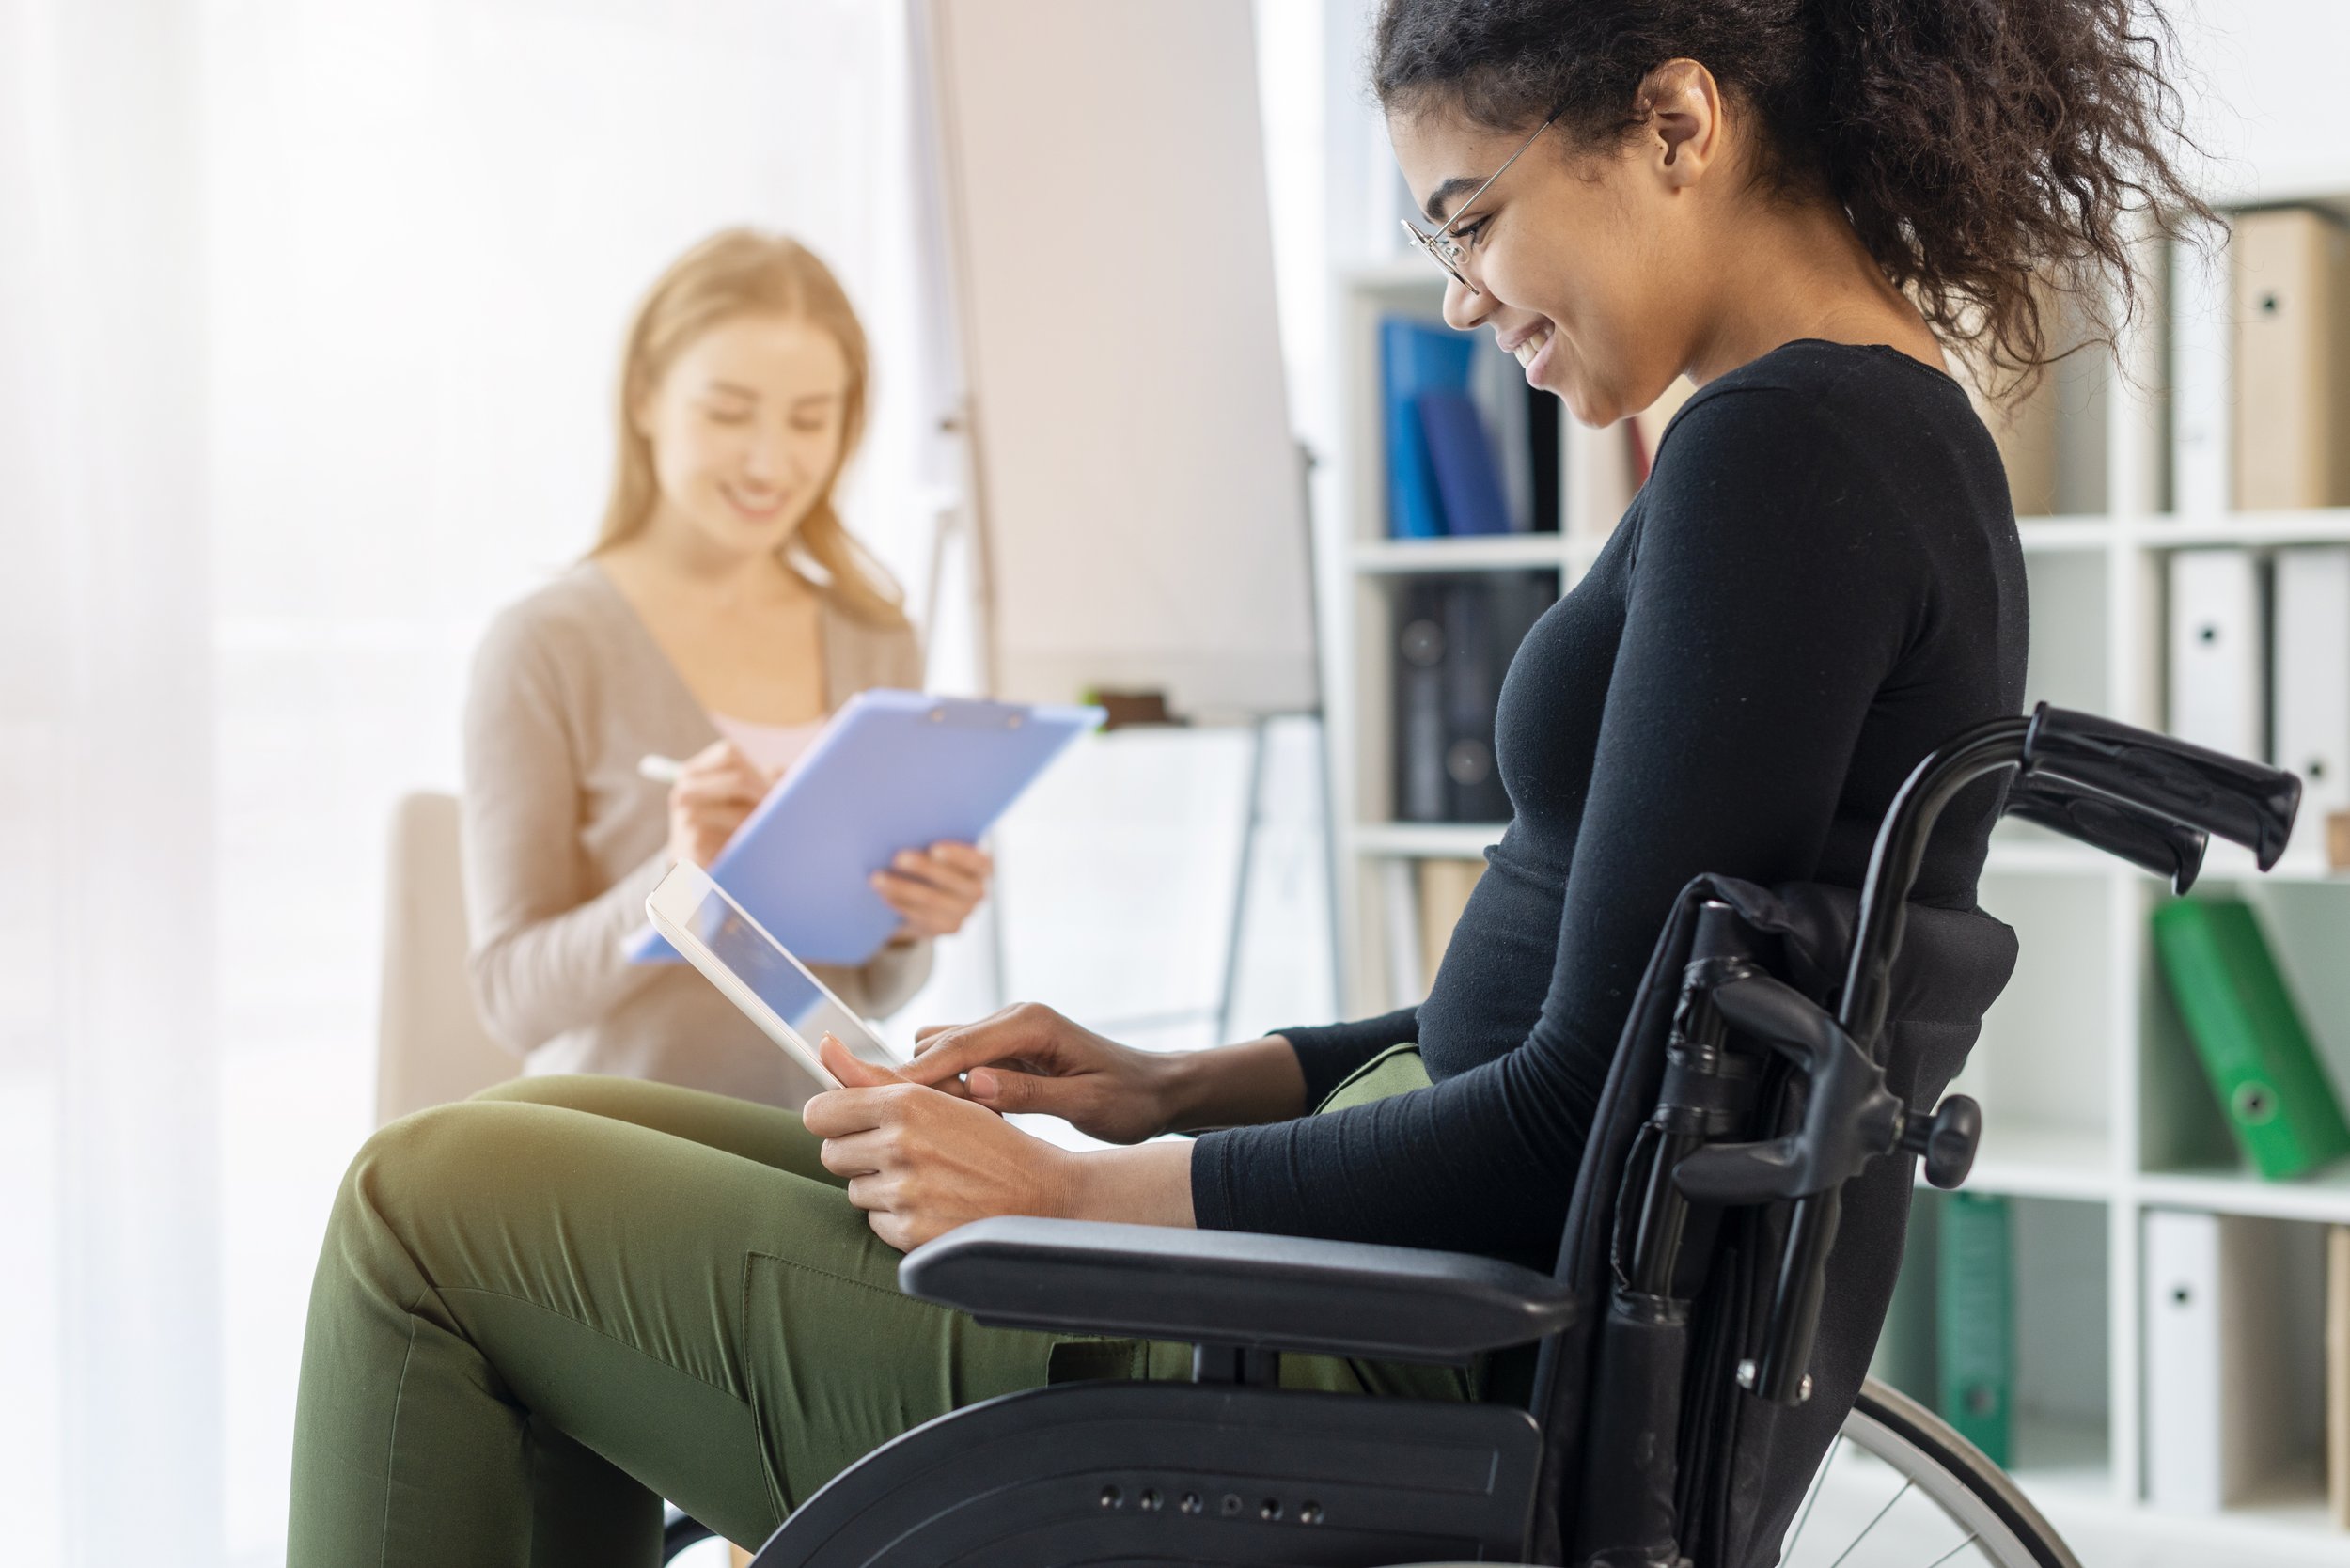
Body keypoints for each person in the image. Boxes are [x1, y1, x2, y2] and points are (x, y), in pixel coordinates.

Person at [291, 3, 2212, 1559]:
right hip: (1381, 1281)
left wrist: (1093, 1186)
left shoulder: (1777, 463)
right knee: (597, 1174)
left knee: (429, 1203)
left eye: (1467, 215)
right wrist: (1173, 1086)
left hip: (1350, 1358)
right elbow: (1610, 1022)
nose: (1460, 294)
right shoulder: (1867, 440)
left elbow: (1564, 1119)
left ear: (1676, 125)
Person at [460, 229, 992, 1107]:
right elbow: (512, 1001)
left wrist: (910, 921)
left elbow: (876, 995)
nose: (770, 462)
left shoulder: (875, 636)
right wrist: (673, 879)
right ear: (644, 400)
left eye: (810, 420)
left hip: (821, 1148)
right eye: (728, 412)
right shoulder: (544, 646)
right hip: (611, 1148)